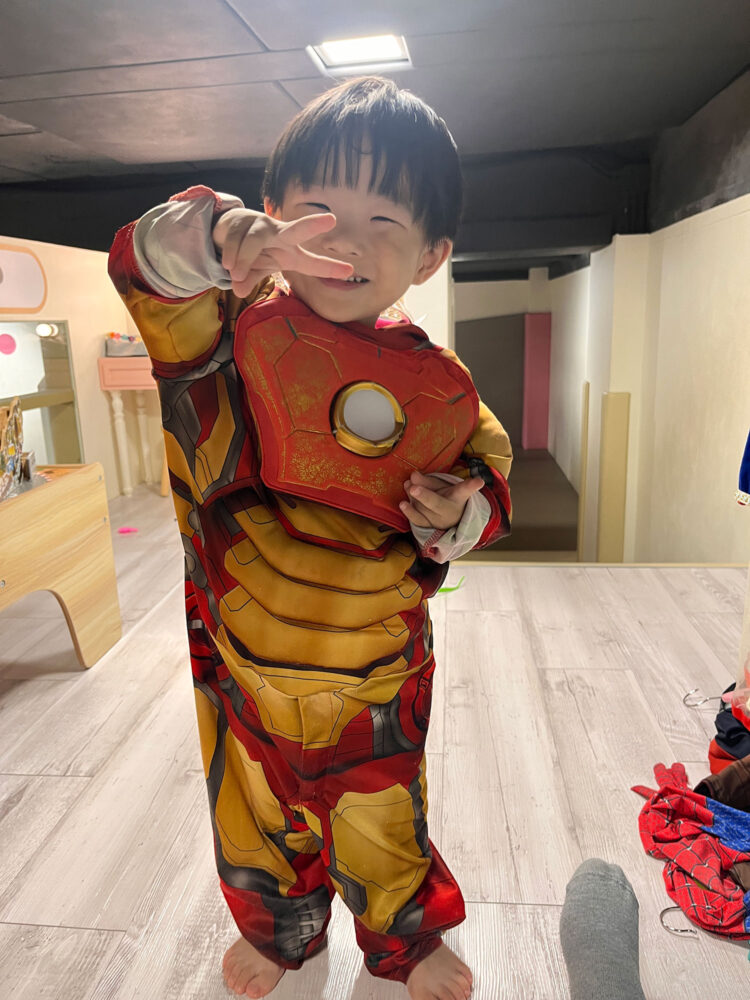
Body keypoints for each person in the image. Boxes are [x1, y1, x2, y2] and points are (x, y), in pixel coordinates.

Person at [108, 76, 513, 1000]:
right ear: (272, 211)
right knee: (253, 819)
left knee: (385, 824)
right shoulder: (214, 339)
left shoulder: (439, 386)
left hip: (376, 679)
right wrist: (210, 237)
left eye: (383, 219)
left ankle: (404, 943)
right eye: (317, 210)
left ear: (431, 255)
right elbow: (144, 269)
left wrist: (459, 515)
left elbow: (488, 476)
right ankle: (281, 935)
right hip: (239, 664)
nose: (344, 240)